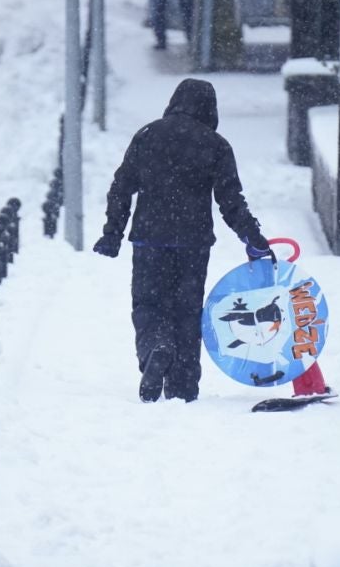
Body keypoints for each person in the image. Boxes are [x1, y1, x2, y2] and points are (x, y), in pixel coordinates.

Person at [93, 78, 274, 403]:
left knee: (148, 304)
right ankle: (183, 387)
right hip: (193, 243)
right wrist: (254, 239)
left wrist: (112, 233)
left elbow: (121, 186)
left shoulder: (148, 136)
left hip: (149, 240)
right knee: (187, 313)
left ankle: (156, 348)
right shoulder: (216, 145)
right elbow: (231, 201)